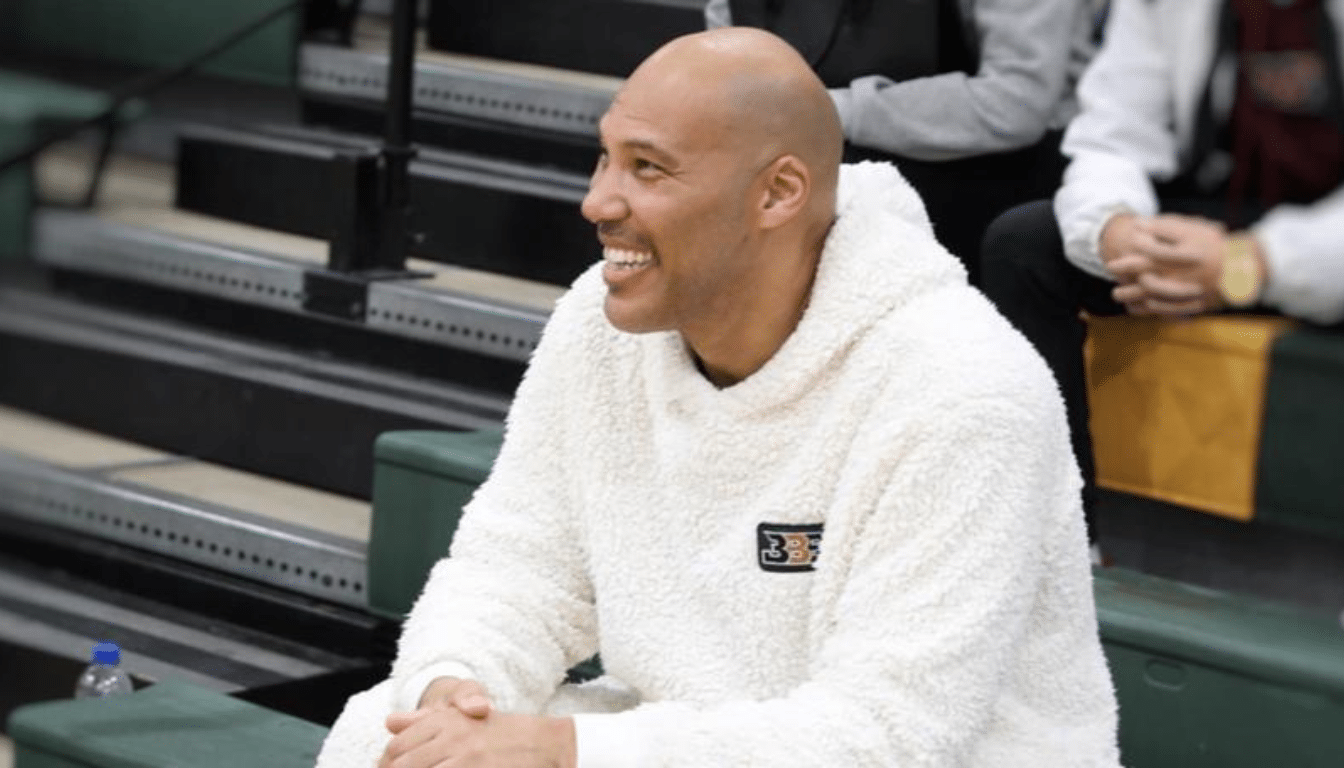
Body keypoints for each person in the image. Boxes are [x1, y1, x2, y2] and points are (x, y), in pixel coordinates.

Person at [316, 27, 1120, 768]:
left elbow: (891, 736)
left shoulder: (965, 390)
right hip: (704, 735)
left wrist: (564, 750)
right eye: (605, 157)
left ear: (777, 194)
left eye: (648, 168)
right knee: (379, 737)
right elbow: (518, 566)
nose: (597, 202)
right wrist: (456, 692)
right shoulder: (600, 325)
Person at [980, 0, 1344, 553]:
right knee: (1024, 245)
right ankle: (1062, 554)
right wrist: (1115, 229)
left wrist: (1252, 263)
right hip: (1217, 218)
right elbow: (1113, 133)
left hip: (1317, 242)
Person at [706, 0, 1106, 283]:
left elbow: (1013, 104)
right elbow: (725, 68)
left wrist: (827, 111)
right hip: (806, 134)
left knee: (824, 199)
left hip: (991, 158)